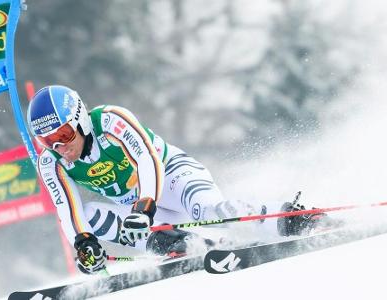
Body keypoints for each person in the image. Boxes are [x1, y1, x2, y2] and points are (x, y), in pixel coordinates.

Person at [27, 85, 324, 275]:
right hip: (138, 207)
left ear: (79, 119)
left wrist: (145, 207)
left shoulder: (109, 120)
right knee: (89, 218)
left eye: (63, 134)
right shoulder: (51, 162)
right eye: (47, 140)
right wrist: (83, 245)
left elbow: (147, 159)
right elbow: (67, 208)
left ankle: (293, 218)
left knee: (211, 211)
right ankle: (180, 243)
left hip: (170, 177)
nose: (59, 146)